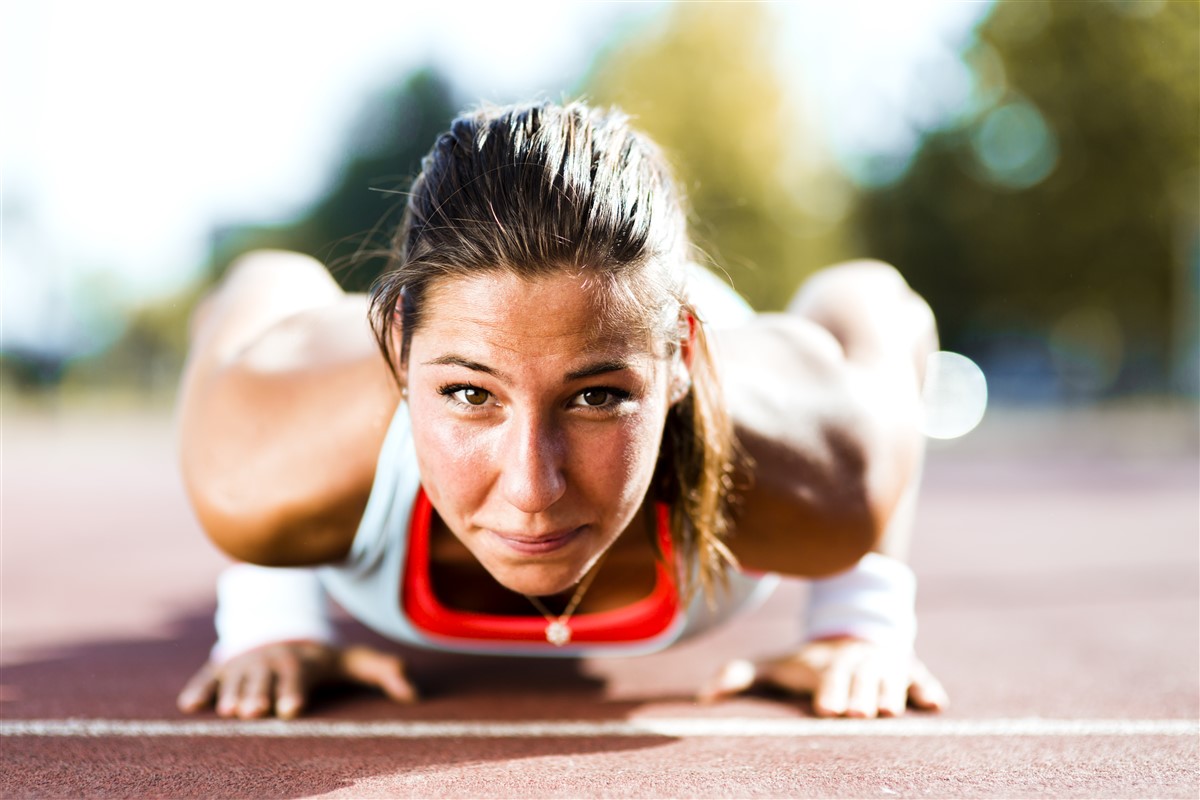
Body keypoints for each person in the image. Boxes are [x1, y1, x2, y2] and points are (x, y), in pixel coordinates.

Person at [175, 100, 949, 721]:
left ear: (681, 359)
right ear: (403, 349)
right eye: (471, 396)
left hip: (646, 309)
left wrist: (857, 619)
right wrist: (273, 612)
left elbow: (874, 300)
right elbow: (264, 280)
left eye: (595, 400)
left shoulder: (825, 482)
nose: (532, 488)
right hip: (457, 331)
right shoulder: (257, 470)